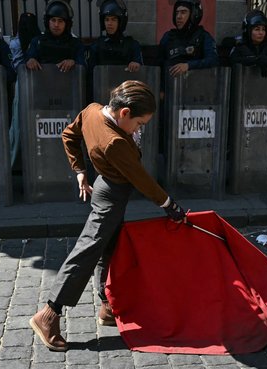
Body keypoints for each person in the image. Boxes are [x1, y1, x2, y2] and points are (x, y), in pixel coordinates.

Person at [29, 80, 187, 352]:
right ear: (124, 112)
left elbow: (69, 134)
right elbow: (141, 179)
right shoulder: (115, 143)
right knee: (88, 250)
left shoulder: (92, 110)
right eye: (139, 123)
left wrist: (80, 170)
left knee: (109, 249)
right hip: (111, 196)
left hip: (105, 187)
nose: (140, 129)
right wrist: (170, 206)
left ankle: (107, 307)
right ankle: (49, 313)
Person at [159, 0, 219, 78]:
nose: (178, 17)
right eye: (177, 13)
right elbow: (158, 63)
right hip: (171, 87)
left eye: (183, 12)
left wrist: (188, 66)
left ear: (194, 14)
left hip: (195, 87)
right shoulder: (168, 37)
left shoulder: (203, 37)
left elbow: (213, 61)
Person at [8, 12, 40, 167]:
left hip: (21, 84)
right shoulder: (38, 41)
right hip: (38, 83)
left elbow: (14, 66)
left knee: (19, 124)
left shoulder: (14, 43)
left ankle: (15, 162)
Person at [24, 0, 85, 73]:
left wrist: (74, 62)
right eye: (53, 20)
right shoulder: (37, 42)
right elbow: (24, 63)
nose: (56, 24)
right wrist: (30, 60)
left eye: (60, 21)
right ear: (47, 22)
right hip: (41, 83)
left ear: (67, 24)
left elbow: (83, 67)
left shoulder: (76, 44)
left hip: (67, 83)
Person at [87, 0, 142, 72]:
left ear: (121, 22)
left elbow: (141, 70)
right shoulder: (97, 46)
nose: (109, 23)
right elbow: (91, 73)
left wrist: (136, 64)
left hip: (125, 83)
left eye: (113, 20)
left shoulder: (132, 45)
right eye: (107, 20)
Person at [229, 9, 267, 77]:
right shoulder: (241, 44)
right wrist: (256, 60)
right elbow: (234, 60)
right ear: (248, 31)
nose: (261, 33)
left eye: (263, 29)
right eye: (257, 29)